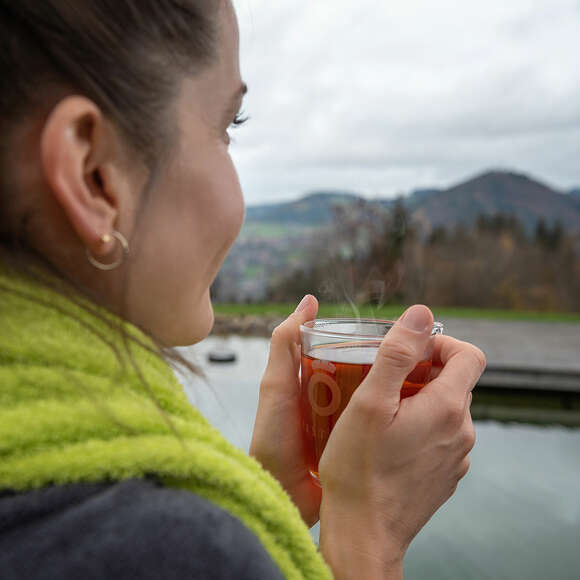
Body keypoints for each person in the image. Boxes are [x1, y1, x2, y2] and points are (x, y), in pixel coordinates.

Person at [0, 1, 486, 578]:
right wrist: (367, 534)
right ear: (94, 176)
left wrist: (269, 501)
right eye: (228, 127)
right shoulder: (152, 545)